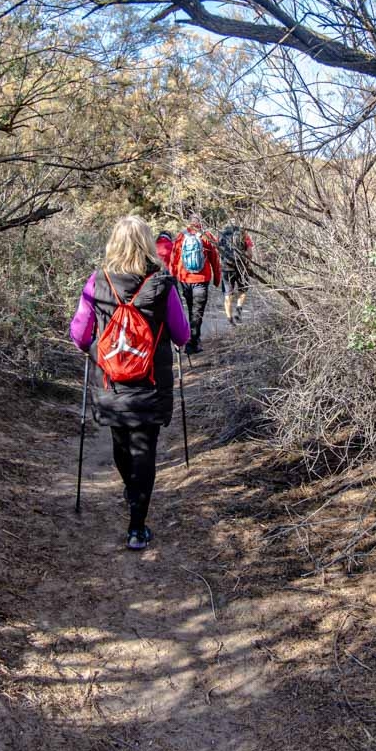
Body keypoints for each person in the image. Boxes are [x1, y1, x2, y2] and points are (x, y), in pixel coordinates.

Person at [70, 216, 191, 550]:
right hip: (150, 386)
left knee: (122, 446)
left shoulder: (97, 282)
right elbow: (182, 335)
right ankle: (137, 527)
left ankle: (131, 490)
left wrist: (93, 344)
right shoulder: (162, 283)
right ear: (148, 244)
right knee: (144, 452)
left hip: (112, 383)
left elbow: (80, 335)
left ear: (114, 243)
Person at [166, 213, 221, 354]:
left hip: (185, 279)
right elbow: (214, 258)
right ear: (201, 222)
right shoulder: (206, 236)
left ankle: (191, 338)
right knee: (198, 311)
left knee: (191, 308)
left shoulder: (181, 236)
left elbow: (173, 259)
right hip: (201, 279)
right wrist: (217, 279)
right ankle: (193, 342)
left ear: (189, 223)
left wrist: (172, 279)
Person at [218, 223, 255, 324]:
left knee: (227, 294)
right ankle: (238, 309)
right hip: (241, 267)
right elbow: (250, 253)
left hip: (227, 268)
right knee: (243, 290)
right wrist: (247, 264)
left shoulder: (222, 234)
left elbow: (219, 252)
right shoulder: (244, 234)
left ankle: (230, 319)